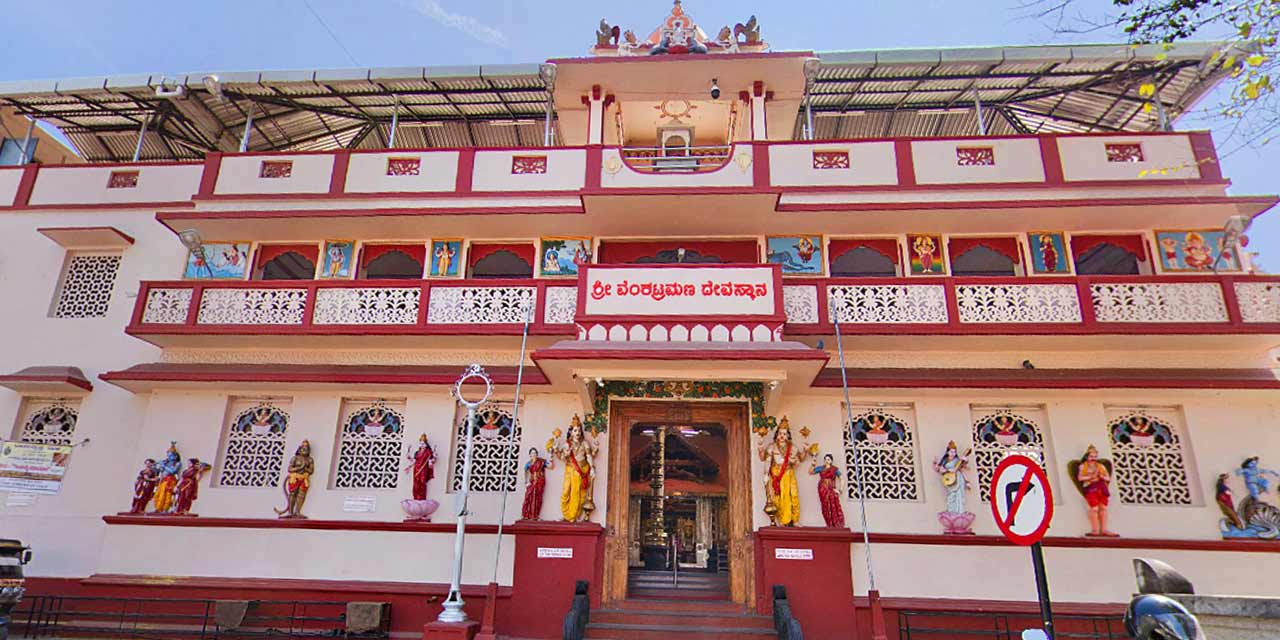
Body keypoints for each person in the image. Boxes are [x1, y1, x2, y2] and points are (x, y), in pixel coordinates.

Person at [759, 418, 809, 527]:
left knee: (793, 495)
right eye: (780, 433)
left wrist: (805, 450)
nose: (782, 436)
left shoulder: (792, 448)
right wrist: (766, 474)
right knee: (780, 497)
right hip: (777, 474)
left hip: (788, 473)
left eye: (784, 434)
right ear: (777, 434)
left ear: (787, 436)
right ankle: (783, 520)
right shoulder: (772, 447)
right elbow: (766, 460)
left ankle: (795, 519)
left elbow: (801, 458)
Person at [552, 416, 597, 522]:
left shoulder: (585, 443)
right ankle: (567, 514)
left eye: (579, 430)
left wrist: (592, 468)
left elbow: (589, 456)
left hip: (580, 470)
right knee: (565, 491)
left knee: (576, 493)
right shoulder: (567, 445)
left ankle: (573, 516)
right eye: (575, 430)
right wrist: (562, 452)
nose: (578, 433)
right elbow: (562, 458)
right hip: (570, 469)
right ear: (571, 432)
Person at [1077, 445, 1117, 536]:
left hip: (1101, 488)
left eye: (1095, 457)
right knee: (1094, 509)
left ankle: (1104, 530)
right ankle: (1095, 530)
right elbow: (1080, 478)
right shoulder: (1083, 467)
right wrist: (1091, 477)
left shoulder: (1101, 466)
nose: (1093, 459)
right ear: (1087, 457)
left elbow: (1108, 478)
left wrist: (1101, 476)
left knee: (1103, 508)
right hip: (1091, 488)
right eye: (1091, 456)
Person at [275, 440, 315, 519]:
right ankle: (290, 512)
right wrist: (299, 468)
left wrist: (305, 469)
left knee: (301, 495)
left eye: (307, 449)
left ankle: (298, 512)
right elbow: (290, 469)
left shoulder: (310, 460)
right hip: (295, 478)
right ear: (299, 450)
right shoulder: (295, 458)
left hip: (304, 478)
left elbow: (311, 470)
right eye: (303, 449)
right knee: (292, 494)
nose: (305, 451)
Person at [809, 453, 845, 528]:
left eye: (828, 459)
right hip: (822, 490)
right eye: (825, 459)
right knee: (825, 507)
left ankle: (836, 525)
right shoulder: (821, 468)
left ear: (831, 461)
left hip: (831, 489)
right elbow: (811, 472)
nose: (826, 461)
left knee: (834, 506)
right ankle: (828, 524)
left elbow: (842, 478)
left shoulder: (834, 469)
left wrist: (840, 490)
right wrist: (813, 463)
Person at [522, 447, 553, 520]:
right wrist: (526, 482)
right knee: (528, 496)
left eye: (535, 453)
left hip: (540, 481)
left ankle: (535, 515)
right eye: (532, 453)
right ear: (530, 455)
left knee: (538, 498)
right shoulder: (528, 464)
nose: (534, 454)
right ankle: (526, 514)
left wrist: (551, 457)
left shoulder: (541, 462)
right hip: (532, 481)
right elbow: (525, 472)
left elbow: (550, 467)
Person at [152, 443, 182, 513]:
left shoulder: (177, 463)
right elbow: (159, 471)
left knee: (167, 495)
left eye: (170, 455)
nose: (168, 456)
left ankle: (165, 509)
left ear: (175, 456)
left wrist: (164, 466)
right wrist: (156, 467)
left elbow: (172, 471)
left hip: (170, 480)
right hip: (163, 480)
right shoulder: (166, 463)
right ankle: (158, 508)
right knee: (158, 494)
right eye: (168, 455)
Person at [405, 434, 435, 501]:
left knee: (422, 482)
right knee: (416, 483)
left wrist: (433, 459)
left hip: (423, 469)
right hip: (416, 469)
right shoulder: (417, 452)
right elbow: (414, 461)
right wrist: (409, 466)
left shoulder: (428, 452)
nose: (422, 445)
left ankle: (421, 497)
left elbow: (431, 460)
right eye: (420, 443)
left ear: (426, 444)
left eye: (423, 443)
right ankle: (416, 497)